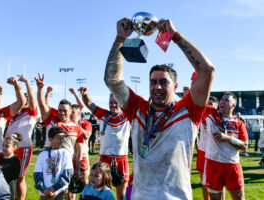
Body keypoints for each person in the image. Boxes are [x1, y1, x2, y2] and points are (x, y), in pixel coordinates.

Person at [104, 18, 215, 199]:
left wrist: (175, 36)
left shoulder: (188, 109)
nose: (157, 87)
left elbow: (207, 71)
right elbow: (112, 80)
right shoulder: (137, 109)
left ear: (175, 86)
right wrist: (119, 40)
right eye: (153, 82)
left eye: (164, 82)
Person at [80, 87, 131, 200]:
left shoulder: (127, 115)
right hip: (104, 158)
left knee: (121, 195)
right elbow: (90, 104)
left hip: (121, 158)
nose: (113, 105)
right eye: (111, 102)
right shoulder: (103, 114)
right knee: (101, 192)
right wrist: (85, 94)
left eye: (116, 102)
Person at [35, 73, 84, 180]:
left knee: (68, 194)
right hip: (49, 163)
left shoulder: (76, 127)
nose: (61, 113)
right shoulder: (51, 119)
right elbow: (42, 105)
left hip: (67, 163)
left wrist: (77, 168)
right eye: (60, 110)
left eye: (65, 110)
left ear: (71, 111)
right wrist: (40, 89)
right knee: (48, 191)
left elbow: (80, 151)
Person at [203, 92, 248, 200]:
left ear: (233, 105)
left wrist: (228, 138)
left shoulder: (239, 123)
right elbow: (197, 102)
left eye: (227, 100)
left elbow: (245, 146)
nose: (222, 102)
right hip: (213, 163)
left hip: (232, 165)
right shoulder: (211, 114)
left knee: (239, 198)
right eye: (222, 99)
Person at [4, 74, 38, 200]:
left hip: (23, 147)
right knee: (11, 176)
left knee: (20, 177)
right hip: (10, 148)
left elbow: (33, 98)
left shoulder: (31, 112)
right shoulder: (14, 115)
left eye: (27, 98)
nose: (25, 100)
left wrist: (27, 82)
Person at [34, 126, 73, 200]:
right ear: (50, 139)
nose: (61, 141)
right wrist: (43, 189)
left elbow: (67, 175)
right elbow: (37, 175)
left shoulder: (65, 153)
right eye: (59, 138)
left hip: (61, 192)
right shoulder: (42, 155)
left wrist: (54, 188)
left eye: (63, 138)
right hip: (45, 193)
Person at [196, 96, 219, 200]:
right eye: (207, 104)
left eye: (211, 105)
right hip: (202, 151)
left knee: (217, 182)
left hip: (214, 151)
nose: (208, 107)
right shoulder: (201, 114)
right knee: (203, 182)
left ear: (216, 106)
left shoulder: (219, 117)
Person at [0, 134, 21, 200]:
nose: (4, 148)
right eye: (3, 145)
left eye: (7, 146)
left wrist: (2, 169)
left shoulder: (15, 160)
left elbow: (14, 175)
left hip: (9, 189)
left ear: (14, 147)